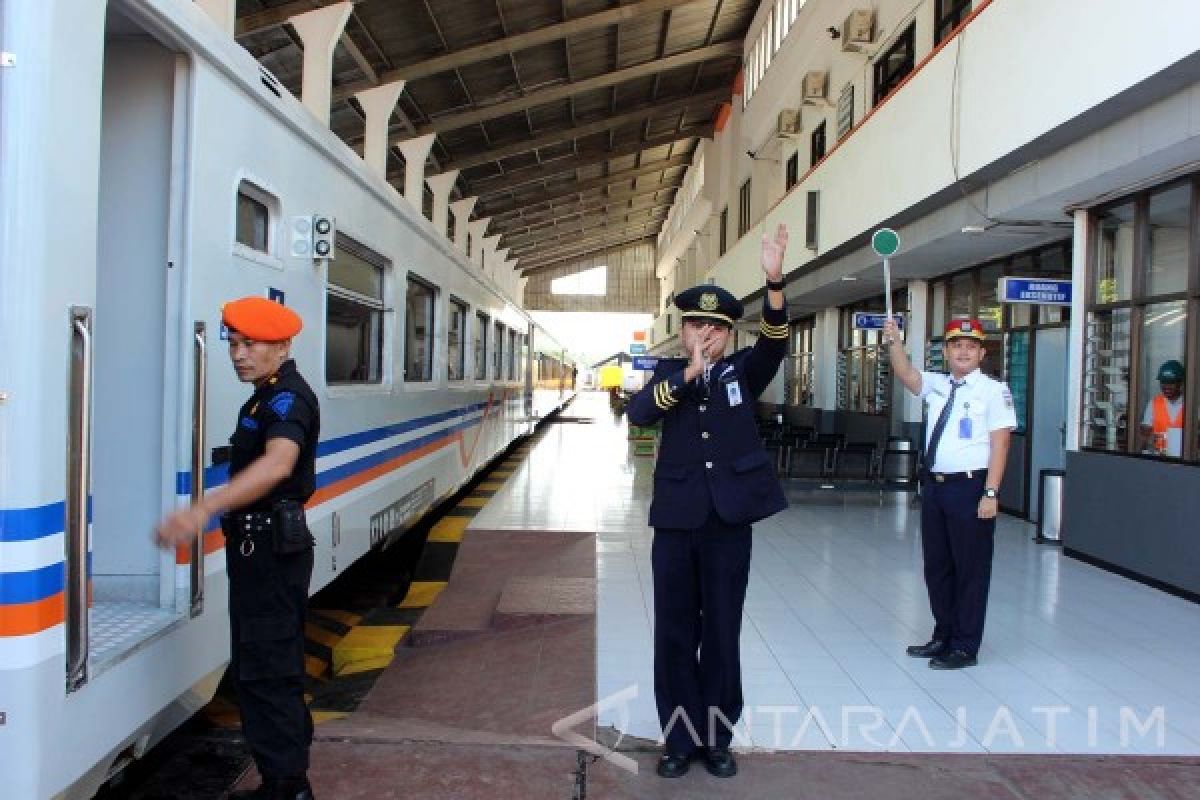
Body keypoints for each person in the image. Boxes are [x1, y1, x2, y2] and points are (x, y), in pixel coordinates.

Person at [627, 224, 790, 779]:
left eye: (718, 328)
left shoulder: (745, 372)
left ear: (727, 334)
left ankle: (717, 736)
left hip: (728, 521)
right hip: (676, 521)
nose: (708, 334)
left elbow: (774, 342)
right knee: (674, 630)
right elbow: (640, 414)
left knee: (721, 628)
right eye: (698, 325)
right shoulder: (666, 374)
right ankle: (678, 740)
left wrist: (773, 281)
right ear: (685, 330)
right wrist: (690, 373)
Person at [157, 296, 320, 800]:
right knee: (254, 667)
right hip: (257, 548)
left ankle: (288, 788)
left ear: (283, 346)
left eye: (250, 344)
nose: (237, 354)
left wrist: (202, 509)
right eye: (233, 343)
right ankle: (280, 780)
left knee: (271, 669)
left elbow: (277, 465)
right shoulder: (260, 398)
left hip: (271, 548)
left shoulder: (288, 399)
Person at [883, 317, 1015, 670]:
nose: (963, 352)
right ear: (947, 351)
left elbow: (1001, 445)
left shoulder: (992, 391)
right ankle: (943, 634)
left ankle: (965, 645)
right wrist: (895, 342)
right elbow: (907, 374)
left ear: (981, 353)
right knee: (937, 566)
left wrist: (991, 492)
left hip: (971, 487)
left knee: (970, 569)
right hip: (936, 488)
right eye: (957, 345)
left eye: (971, 347)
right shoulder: (938, 384)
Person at [1139, 359, 1185, 457]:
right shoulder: (1154, 403)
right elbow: (1144, 435)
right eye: (1163, 382)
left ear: (1180, 383)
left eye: (1171, 383)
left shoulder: (1191, 406)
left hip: (1183, 461)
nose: (1166, 386)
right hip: (1158, 459)